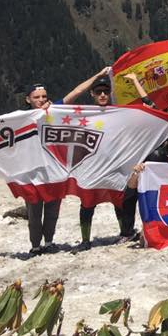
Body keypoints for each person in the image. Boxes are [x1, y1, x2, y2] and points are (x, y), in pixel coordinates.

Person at [64, 69, 121, 251]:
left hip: (113, 164)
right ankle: (85, 240)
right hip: (91, 165)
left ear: (110, 93)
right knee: (87, 203)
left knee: (119, 201)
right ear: (92, 94)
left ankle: (125, 233)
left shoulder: (120, 112)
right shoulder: (84, 114)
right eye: (98, 92)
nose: (102, 95)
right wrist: (97, 76)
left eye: (106, 91)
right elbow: (70, 98)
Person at [21, 83, 61, 256]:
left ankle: (49, 242)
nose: (41, 99)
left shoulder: (56, 111)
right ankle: (36, 245)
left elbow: (75, 94)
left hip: (54, 169)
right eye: (36, 97)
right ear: (28, 99)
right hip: (31, 172)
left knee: (52, 210)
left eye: (44, 96)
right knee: (34, 212)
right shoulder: (21, 117)